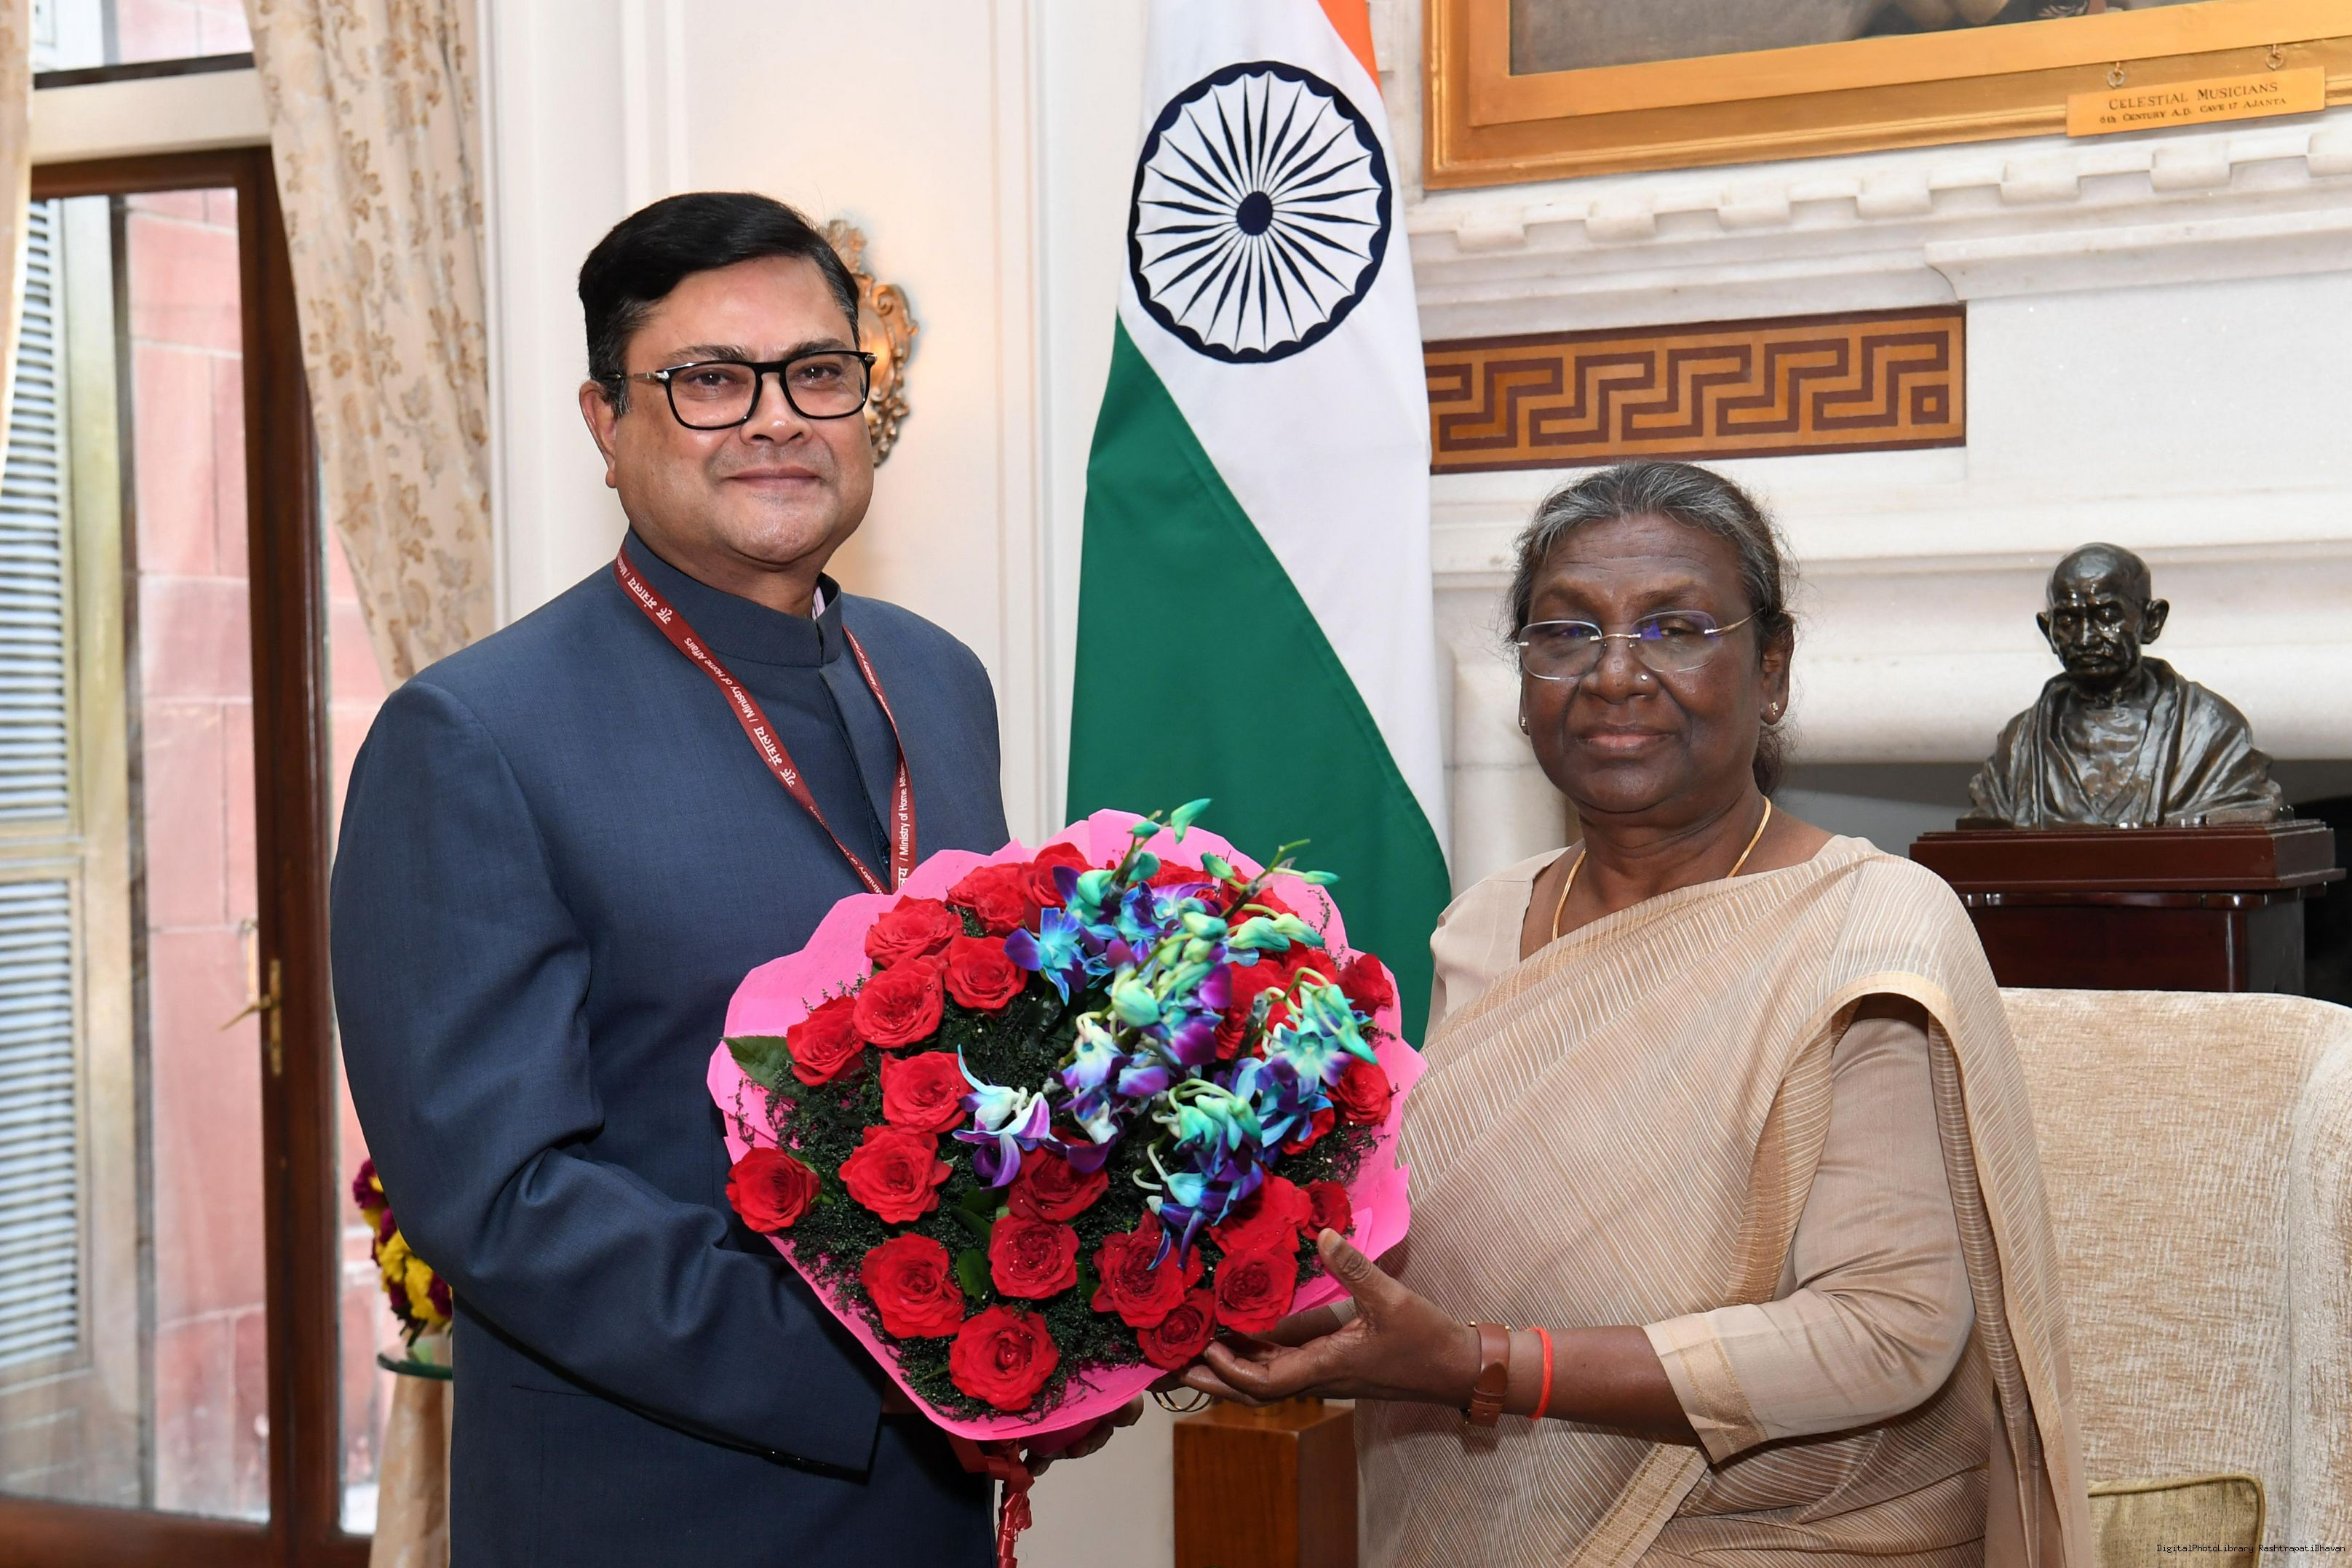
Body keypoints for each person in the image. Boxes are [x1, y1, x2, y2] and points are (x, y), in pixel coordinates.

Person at [333, 192, 1122, 1565]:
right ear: (605, 423)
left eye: (817, 372)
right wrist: (905, 1364)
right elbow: (501, 1197)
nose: (776, 419)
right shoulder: (473, 733)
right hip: (656, 1499)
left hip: (942, 1503)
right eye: (709, 380)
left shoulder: (938, 676)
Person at [1183, 461, 2089, 1568]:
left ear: (1771, 669)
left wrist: (1484, 1364)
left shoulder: (1871, 926)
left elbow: (1886, 1333)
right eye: (1566, 631)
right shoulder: (1481, 925)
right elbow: (1445, 1261)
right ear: (1524, 680)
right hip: (1468, 1523)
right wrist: (1227, 1314)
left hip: (1782, 1539)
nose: (1614, 674)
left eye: (1676, 628)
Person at [1960, 541, 2285, 828]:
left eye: (2106, 616)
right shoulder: (2018, 745)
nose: (2085, 639)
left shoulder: (2210, 730)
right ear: (2048, 631)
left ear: (2151, 621)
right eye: (2068, 621)